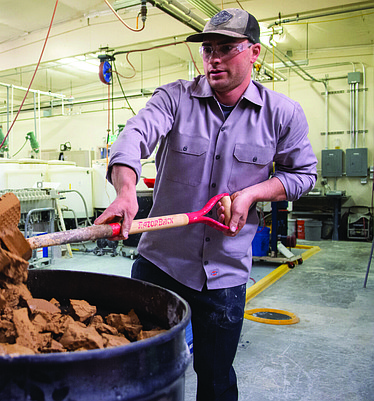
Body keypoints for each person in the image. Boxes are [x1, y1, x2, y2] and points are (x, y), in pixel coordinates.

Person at [94, 8, 317, 401]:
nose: (214, 58)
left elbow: (303, 175)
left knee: (215, 379)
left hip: (225, 274)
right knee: (140, 374)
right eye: (208, 49)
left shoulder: (282, 114)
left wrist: (252, 194)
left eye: (227, 48)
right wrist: (125, 188)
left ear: (254, 52)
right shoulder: (175, 98)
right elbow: (135, 135)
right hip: (160, 266)